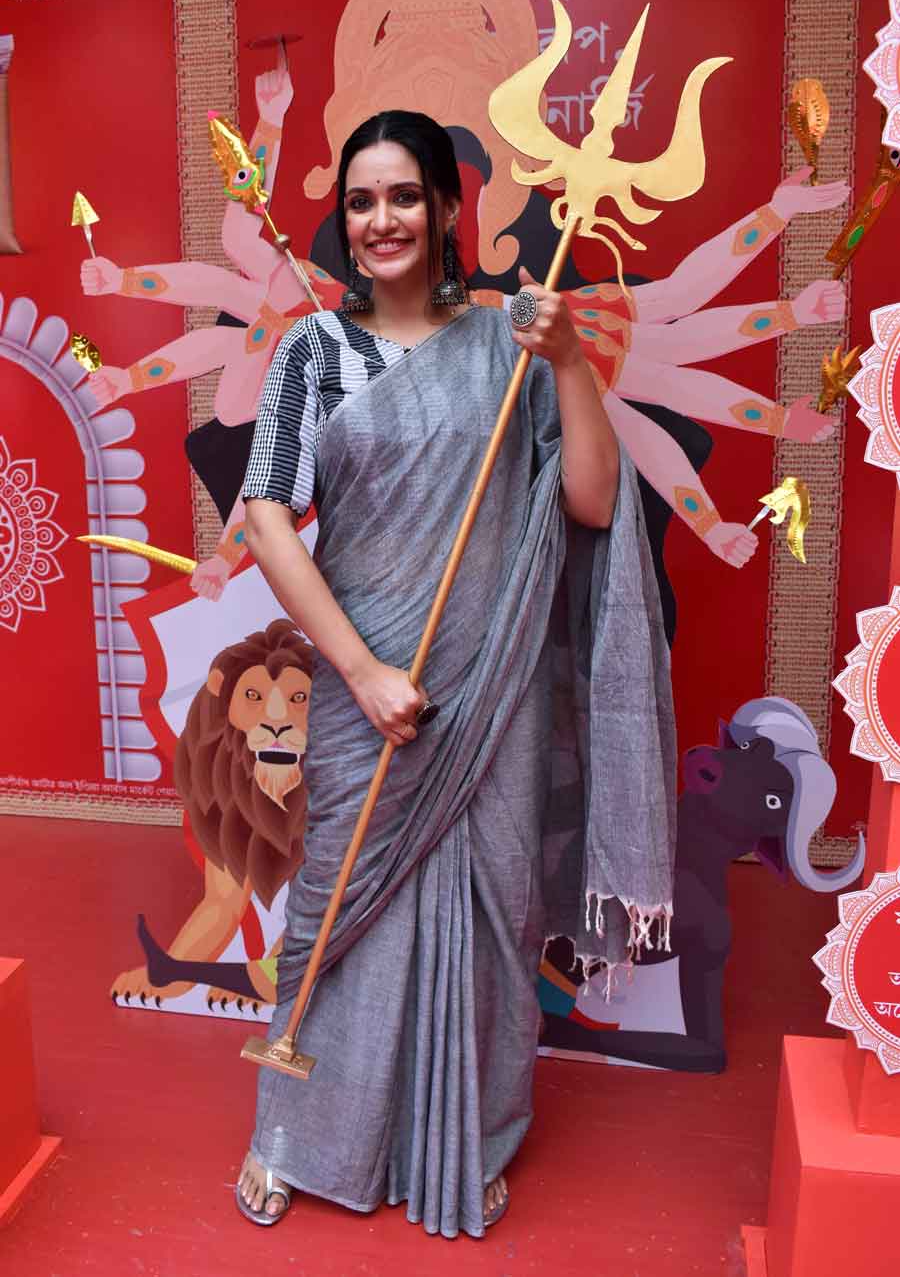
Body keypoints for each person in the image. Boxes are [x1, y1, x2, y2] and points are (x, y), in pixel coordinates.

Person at [235, 110, 676, 1238]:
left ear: (444, 211)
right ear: (345, 220)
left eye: (405, 196)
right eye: (363, 200)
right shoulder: (311, 354)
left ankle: (467, 1136)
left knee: (489, 917)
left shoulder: (507, 346)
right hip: (362, 689)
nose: (382, 219)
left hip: (489, 688)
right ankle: (292, 1134)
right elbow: (270, 521)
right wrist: (363, 668)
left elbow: (587, 499)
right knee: (336, 912)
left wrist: (571, 361)